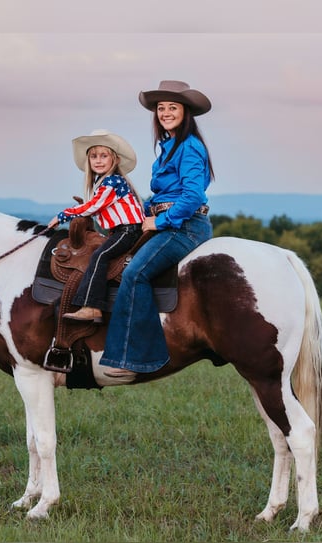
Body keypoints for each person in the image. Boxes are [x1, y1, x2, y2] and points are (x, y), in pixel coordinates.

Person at [100, 80, 215, 377]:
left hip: (185, 227)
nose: (165, 113)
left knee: (135, 273)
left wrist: (160, 221)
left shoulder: (189, 147)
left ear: (185, 112)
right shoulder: (168, 146)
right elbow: (163, 196)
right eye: (161, 108)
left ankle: (133, 357)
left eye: (172, 108)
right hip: (170, 221)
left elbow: (191, 196)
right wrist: (134, 210)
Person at [48, 129, 145, 323]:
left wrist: (64, 214)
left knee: (100, 255)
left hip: (128, 230)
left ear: (115, 160)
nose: (98, 160)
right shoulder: (104, 182)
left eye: (103, 155)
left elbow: (94, 206)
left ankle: (92, 306)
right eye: (93, 156)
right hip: (120, 230)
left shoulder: (113, 181)